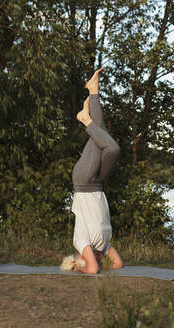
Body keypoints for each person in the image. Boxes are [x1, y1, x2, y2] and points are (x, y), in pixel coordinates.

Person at [70, 68, 123, 274]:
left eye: (92, 259)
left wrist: (77, 267)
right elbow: (118, 264)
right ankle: (92, 94)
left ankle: (85, 117)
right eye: (99, 261)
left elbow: (92, 271)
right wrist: (106, 260)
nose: (98, 260)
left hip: (83, 182)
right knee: (106, 140)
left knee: (110, 145)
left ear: (84, 256)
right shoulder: (104, 245)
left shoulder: (80, 240)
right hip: (99, 184)